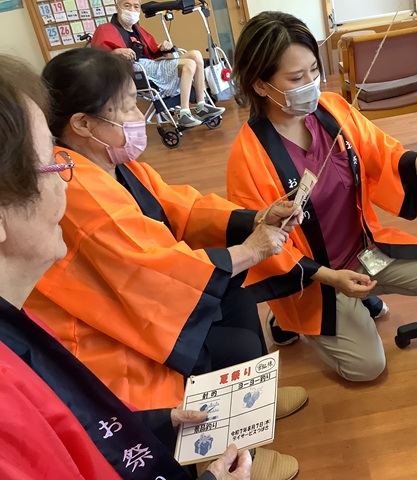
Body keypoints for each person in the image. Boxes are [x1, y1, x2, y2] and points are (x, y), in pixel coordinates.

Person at [26, 47, 302, 480]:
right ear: (82, 124)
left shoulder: (115, 165)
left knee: (237, 292)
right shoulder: (75, 184)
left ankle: (253, 402)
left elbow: (179, 207)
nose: (138, 116)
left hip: (141, 299)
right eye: (127, 107)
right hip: (110, 326)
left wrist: (255, 218)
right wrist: (247, 250)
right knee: (238, 341)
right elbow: (146, 267)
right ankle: (237, 446)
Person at [226, 12, 417, 382]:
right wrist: (334, 279)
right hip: (316, 280)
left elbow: (382, 155)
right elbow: (266, 249)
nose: (310, 84)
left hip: (367, 251)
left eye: (313, 71)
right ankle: (285, 317)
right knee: (367, 367)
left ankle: (363, 293)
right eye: (296, 78)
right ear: (260, 85)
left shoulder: (332, 110)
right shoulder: (247, 157)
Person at [92, 0, 224, 128]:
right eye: (127, 6)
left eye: (136, 6)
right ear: (117, 7)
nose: (132, 10)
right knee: (189, 64)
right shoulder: (104, 30)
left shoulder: (138, 30)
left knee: (196, 55)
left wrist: (164, 47)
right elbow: (97, 59)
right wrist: (115, 52)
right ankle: (184, 113)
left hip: (149, 64)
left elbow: (153, 51)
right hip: (135, 69)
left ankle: (201, 105)